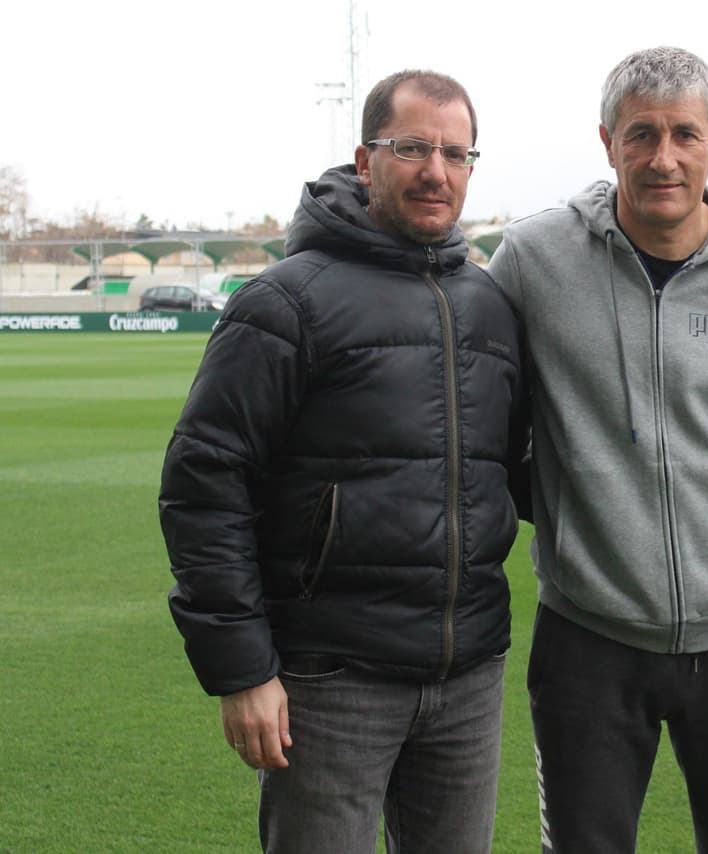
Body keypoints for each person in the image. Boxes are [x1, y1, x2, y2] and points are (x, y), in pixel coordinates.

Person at [159, 70, 526, 854]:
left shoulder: (492, 306)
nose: (436, 171)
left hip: (467, 677)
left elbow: (513, 471)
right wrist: (241, 670)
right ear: (365, 162)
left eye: (456, 153)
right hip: (331, 682)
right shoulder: (286, 301)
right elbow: (204, 482)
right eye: (413, 148)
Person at [487, 46, 708, 854]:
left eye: (683, 134)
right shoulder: (533, 259)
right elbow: (486, 413)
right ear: (607, 143)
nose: (662, 157)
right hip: (589, 638)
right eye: (640, 135)